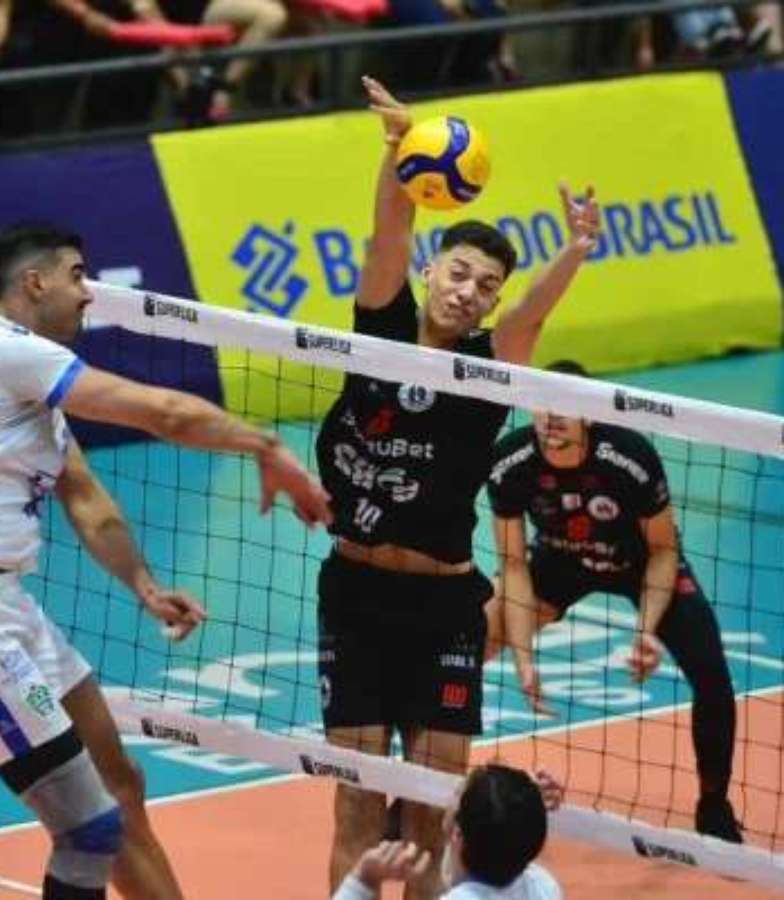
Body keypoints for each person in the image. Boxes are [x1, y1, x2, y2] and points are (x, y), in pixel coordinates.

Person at [0, 223, 331, 900]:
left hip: (5, 608)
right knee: (87, 829)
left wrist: (143, 584)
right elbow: (163, 413)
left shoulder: (27, 394)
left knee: (121, 781)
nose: (89, 293)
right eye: (77, 276)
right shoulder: (0, 349)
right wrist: (265, 447)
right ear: (35, 283)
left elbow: (86, 499)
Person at [315, 75, 599, 900]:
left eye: (485, 287)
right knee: (357, 804)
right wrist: (397, 150)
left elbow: (529, 322)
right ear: (434, 269)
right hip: (355, 596)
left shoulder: (485, 371)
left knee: (431, 816)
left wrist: (575, 251)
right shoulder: (380, 326)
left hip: (443, 608)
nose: (467, 291)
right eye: (460, 272)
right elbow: (388, 232)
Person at [486, 360, 741, 842]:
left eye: (566, 406)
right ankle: (424, 784)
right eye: (544, 404)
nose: (552, 416)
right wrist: (522, 658)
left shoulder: (629, 456)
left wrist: (646, 630)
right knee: (468, 638)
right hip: (560, 559)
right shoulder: (510, 462)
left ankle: (713, 803)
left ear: (589, 414)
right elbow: (514, 566)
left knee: (712, 676)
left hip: (641, 562)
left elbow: (663, 550)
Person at [332, 765, 564, 899]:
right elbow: (508, 833)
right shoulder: (545, 888)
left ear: (457, 833)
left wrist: (364, 879)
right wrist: (520, 800)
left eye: (456, 793)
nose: (450, 797)